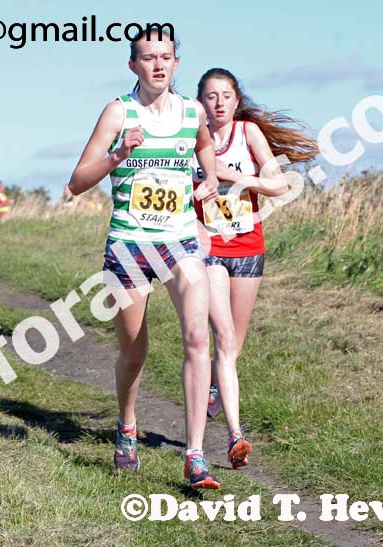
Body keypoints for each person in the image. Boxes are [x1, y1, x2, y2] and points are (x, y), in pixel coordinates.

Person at [68, 29, 222, 489]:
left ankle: (195, 455)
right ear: (133, 65)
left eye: (166, 57)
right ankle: (128, 423)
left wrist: (210, 177)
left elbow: (204, 144)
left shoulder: (192, 112)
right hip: (130, 246)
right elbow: (77, 181)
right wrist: (119, 153)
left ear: (177, 63)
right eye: (148, 58)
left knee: (198, 337)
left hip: (180, 242)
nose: (158, 65)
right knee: (134, 352)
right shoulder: (119, 112)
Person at [192, 68, 317, 468]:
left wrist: (237, 178)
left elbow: (280, 186)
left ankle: (215, 384)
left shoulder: (248, 134)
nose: (219, 103)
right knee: (224, 337)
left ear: (237, 100)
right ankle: (235, 436)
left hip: (248, 248)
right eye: (211, 96)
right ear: (200, 103)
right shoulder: (190, 139)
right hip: (209, 249)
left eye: (226, 96)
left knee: (233, 348)